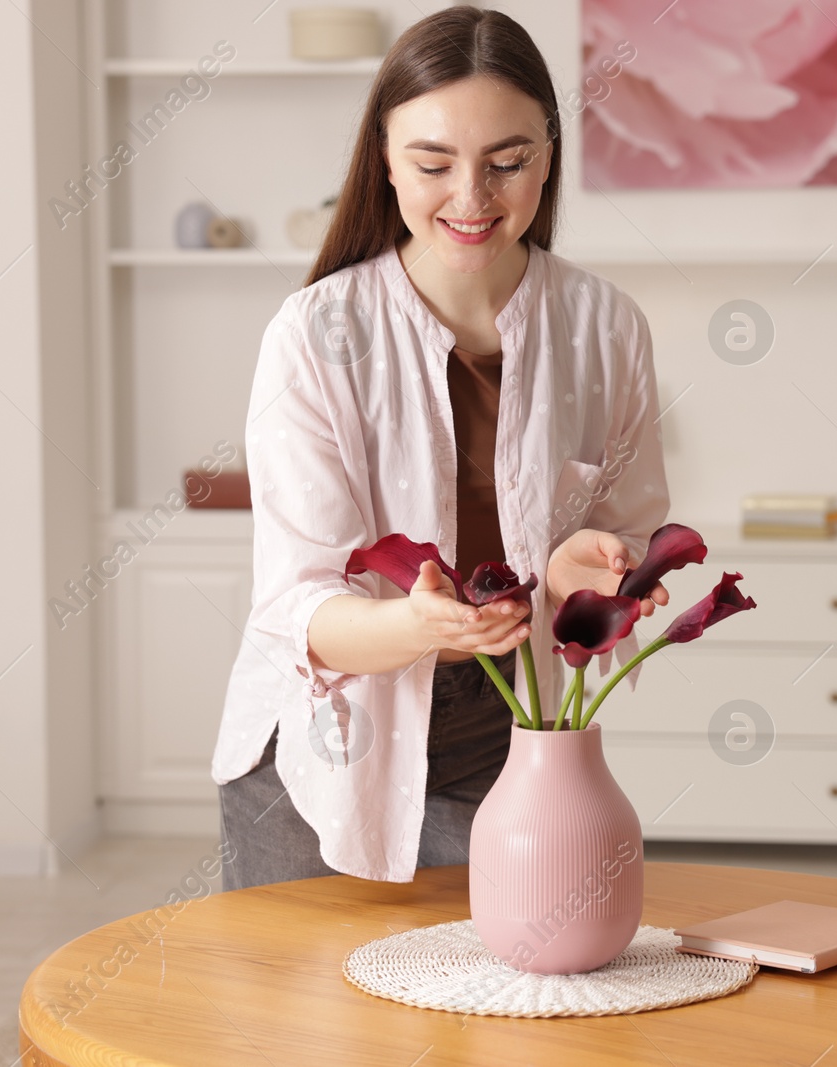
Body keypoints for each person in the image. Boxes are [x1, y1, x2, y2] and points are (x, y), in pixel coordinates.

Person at [213, 5, 671, 890]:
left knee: (496, 1011)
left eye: (508, 163)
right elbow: (301, 604)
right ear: (384, 160)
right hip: (324, 742)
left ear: (549, 158)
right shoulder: (314, 334)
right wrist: (414, 627)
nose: (471, 198)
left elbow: (631, 534)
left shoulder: (606, 329)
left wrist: (594, 568)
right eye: (433, 163)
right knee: (302, 1023)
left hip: (510, 730)